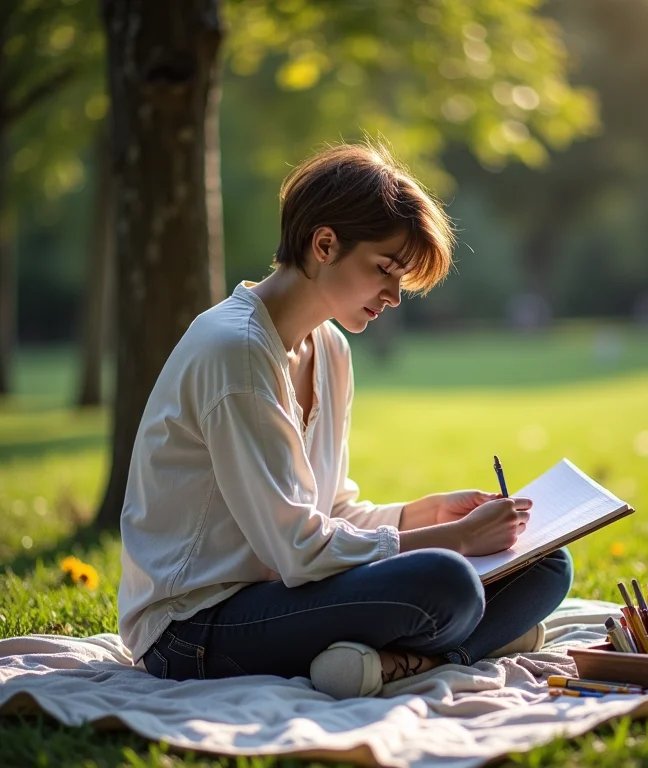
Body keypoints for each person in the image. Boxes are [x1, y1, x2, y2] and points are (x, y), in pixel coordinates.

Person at [117, 141, 573, 699]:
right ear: (325, 244)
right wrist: (452, 538)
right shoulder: (234, 350)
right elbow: (297, 548)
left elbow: (329, 510)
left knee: (547, 563)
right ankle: (451, 648)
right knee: (447, 581)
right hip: (194, 626)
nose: (393, 297)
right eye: (385, 269)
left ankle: (389, 664)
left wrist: (421, 513)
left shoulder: (328, 346)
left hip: (287, 593)